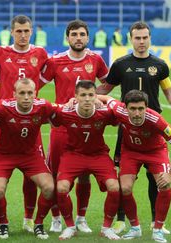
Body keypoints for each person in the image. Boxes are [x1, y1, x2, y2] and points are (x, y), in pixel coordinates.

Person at [97, 21, 171, 235]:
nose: (141, 41)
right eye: (137, 37)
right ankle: (121, 220)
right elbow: (105, 88)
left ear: (150, 38)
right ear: (131, 39)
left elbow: (170, 94)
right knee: (124, 178)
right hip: (127, 125)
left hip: (154, 126)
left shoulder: (160, 65)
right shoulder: (120, 64)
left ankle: (156, 221)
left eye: (145, 37)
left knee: (157, 178)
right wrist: (83, 96)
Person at [40, 19, 109, 233]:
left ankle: (81, 218)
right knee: (54, 173)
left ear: (87, 38)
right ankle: (56, 217)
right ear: (67, 37)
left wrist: (97, 97)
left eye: (81, 35)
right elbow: (35, 86)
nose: (78, 38)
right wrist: (58, 107)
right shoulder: (55, 61)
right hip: (61, 126)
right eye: (74, 34)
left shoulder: (96, 59)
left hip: (87, 126)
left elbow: (107, 83)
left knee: (84, 173)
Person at [0, 14, 49, 234]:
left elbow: (48, 74)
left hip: (31, 120)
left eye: (26, 31)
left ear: (31, 31)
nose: (23, 35)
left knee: (31, 175)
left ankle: (29, 218)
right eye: (18, 31)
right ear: (11, 32)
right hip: (5, 121)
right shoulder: (0, 53)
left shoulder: (40, 54)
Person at [104, 90, 171, 243]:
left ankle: (158, 230)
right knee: (125, 188)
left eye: (141, 108)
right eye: (133, 108)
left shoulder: (156, 120)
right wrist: (81, 100)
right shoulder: (119, 109)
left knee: (164, 186)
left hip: (156, 151)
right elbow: (106, 98)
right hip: (131, 151)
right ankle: (135, 228)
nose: (137, 113)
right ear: (125, 108)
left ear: (146, 107)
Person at [0, 78, 55, 240]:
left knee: (49, 188)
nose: (26, 97)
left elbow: (63, 109)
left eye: (30, 93)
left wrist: (98, 100)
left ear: (35, 94)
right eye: (22, 93)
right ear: (14, 95)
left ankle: (38, 224)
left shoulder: (43, 106)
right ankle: (3, 224)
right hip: (4, 155)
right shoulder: (3, 106)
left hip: (30, 156)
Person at [50, 81, 121, 240]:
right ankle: (69, 226)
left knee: (114, 187)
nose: (87, 99)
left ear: (96, 96)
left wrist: (105, 97)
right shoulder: (65, 111)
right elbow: (48, 112)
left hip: (98, 155)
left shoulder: (104, 112)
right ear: (75, 97)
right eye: (83, 95)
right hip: (73, 155)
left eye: (91, 95)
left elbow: (121, 108)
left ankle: (106, 228)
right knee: (61, 188)